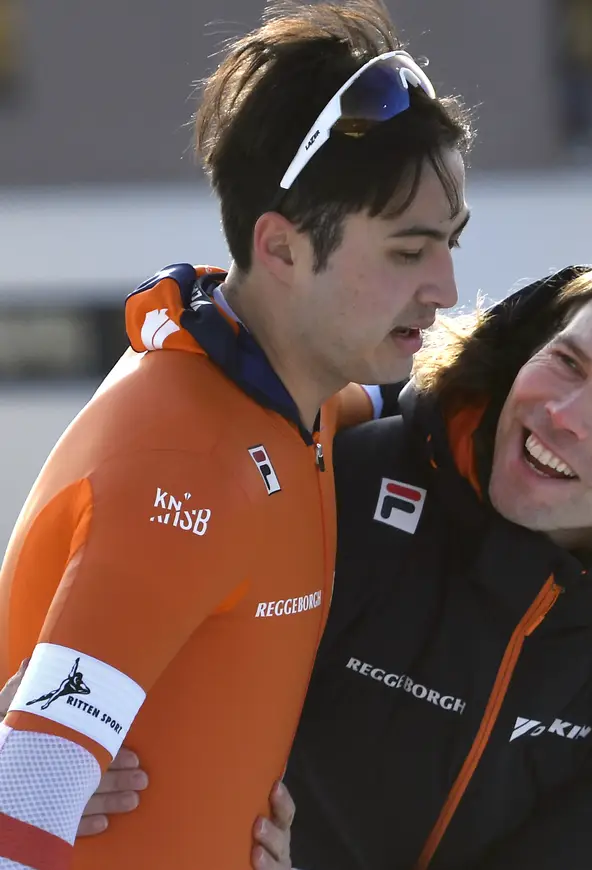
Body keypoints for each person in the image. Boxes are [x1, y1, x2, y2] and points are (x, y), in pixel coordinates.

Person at [47, 241, 592, 870]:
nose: (562, 414)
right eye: (566, 362)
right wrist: (40, 710)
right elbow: (121, 641)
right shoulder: (345, 486)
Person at [0, 1, 471, 868]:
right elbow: (22, 805)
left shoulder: (297, 399)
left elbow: (458, 408)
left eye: (450, 244)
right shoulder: (186, 467)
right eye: (409, 252)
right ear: (282, 249)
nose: (444, 286)